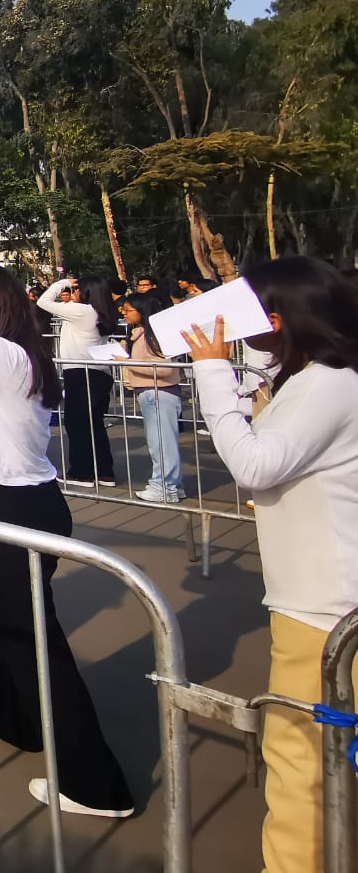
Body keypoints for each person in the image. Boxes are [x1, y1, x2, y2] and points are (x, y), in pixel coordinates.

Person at [0, 254, 134, 818]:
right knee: (1, 617)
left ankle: (94, 783)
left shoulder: (8, 356)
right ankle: (7, 715)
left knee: (35, 637)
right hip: (1, 500)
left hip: (15, 506)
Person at [183, 256, 358, 873]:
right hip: (325, 599)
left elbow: (255, 466)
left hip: (324, 609)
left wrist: (209, 372)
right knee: (322, 759)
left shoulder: (330, 383)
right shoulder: (321, 377)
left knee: (300, 762)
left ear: (279, 317)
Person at [37, 275, 121, 488]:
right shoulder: (100, 311)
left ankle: (82, 473)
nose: (73, 292)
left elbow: (43, 302)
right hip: (99, 372)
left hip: (81, 372)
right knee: (95, 425)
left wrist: (61, 283)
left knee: (77, 424)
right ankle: (104, 472)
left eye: (76, 289)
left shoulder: (83, 311)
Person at [116, 291, 184, 503]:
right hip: (150, 392)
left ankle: (165, 485)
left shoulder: (153, 336)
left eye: (128, 310)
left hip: (158, 393)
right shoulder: (142, 334)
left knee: (162, 442)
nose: (124, 314)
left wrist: (126, 362)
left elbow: (164, 368)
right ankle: (170, 485)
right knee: (160, 442)